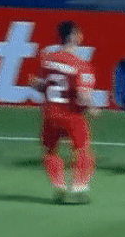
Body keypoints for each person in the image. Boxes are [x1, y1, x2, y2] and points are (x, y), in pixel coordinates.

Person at [29, 21, 100, 204]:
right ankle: (79, 187)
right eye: (79, 33)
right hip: (72, 116)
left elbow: (37, 84)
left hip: (50, 114)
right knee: (82, 149)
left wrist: (42, 87)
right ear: (74, 36)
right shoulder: (81, 65)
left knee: (50, 150)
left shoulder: (47, 60)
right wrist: (92, 108)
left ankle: (58, 185)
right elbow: (83, 95)